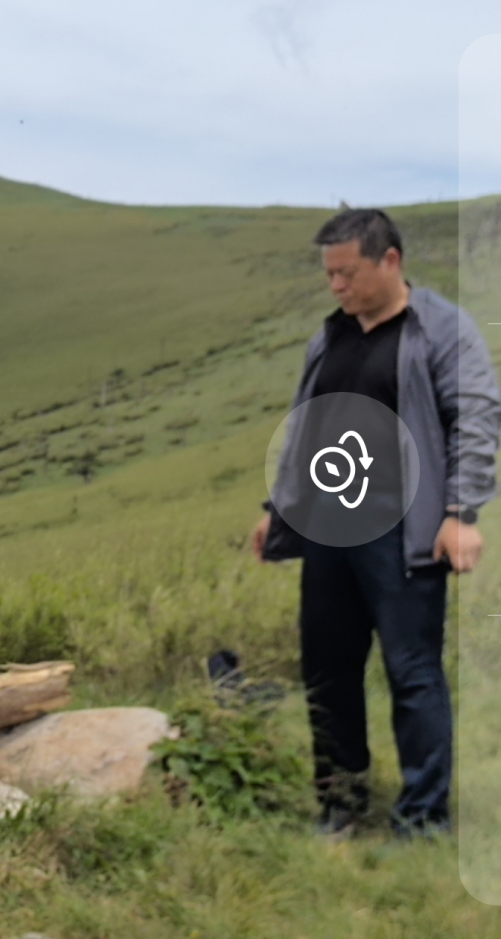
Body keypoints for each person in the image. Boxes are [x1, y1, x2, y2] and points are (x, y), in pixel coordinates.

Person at [253, 208, 501, 838]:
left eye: (348, 273)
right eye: (329, 275)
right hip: (329, 531)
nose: (336, 285)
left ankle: (422, 817)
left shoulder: (440, 330)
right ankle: (340, 802)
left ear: (390, 261)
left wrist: (460, 514)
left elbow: (475, 421)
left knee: (411, 672)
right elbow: (306, 427)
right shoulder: (331, 335)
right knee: (327, 671)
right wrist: (275, 509)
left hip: (403, 532)